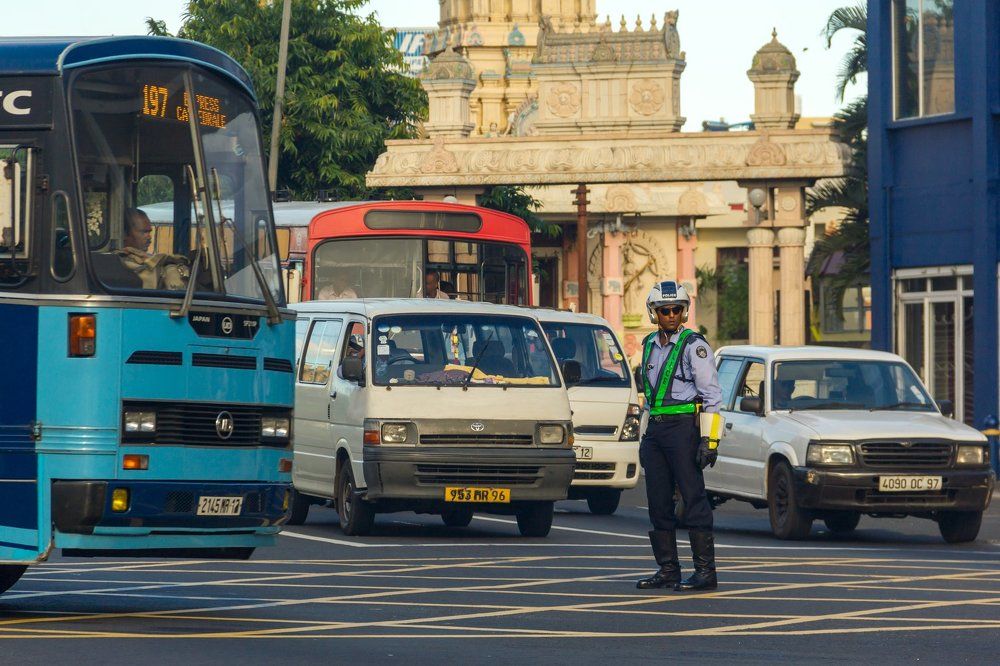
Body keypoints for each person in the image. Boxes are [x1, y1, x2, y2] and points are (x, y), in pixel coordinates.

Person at [635, 280, 723, 592]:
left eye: (676, 309)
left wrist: (709, 441)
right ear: (654, 313)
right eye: (664, 310)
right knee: (658, 501)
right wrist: (644, 436)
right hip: (657, 430)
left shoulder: (694, 346)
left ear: (683, 312)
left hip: (684, 428)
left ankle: (705, 573)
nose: (671, 314)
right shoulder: (648, 345)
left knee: (694, 498)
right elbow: (648, 395)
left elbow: (712, 396)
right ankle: (668, 570)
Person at [115, 208, 189, 290]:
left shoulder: (150, 259)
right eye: (143, 232)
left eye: (149, 232)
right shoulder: (120, 263)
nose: (149, 237)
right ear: (124, 234)